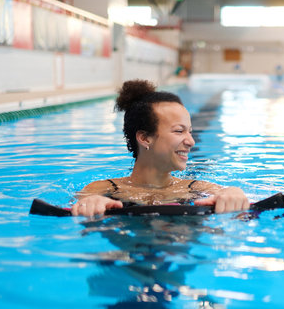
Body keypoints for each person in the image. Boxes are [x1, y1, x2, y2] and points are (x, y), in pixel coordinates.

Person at [71, 79, 249, 216]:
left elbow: (227, 193)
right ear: (145, 138)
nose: (191, 142)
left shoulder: (196, 188)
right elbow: (83, 202)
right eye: (179, 131)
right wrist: (91, 203)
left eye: (190, 132)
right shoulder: (103, 189)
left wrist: (234, 193)